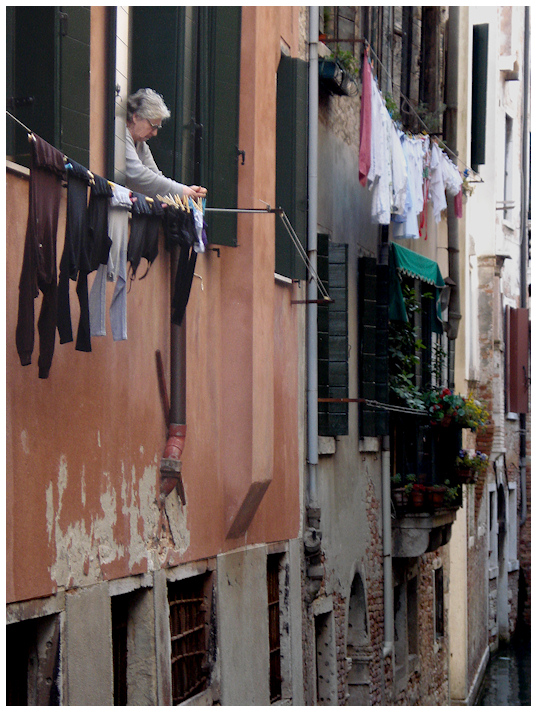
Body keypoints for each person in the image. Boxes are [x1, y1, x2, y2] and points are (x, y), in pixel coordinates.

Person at [125, 88, 207, 201]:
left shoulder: (141, 144)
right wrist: (180, 191)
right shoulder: (122, 136)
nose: (155, 133)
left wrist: (186, 191)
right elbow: (137, 175)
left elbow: (156, 176)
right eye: (153, 126)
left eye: (157, 128)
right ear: (135, 117)